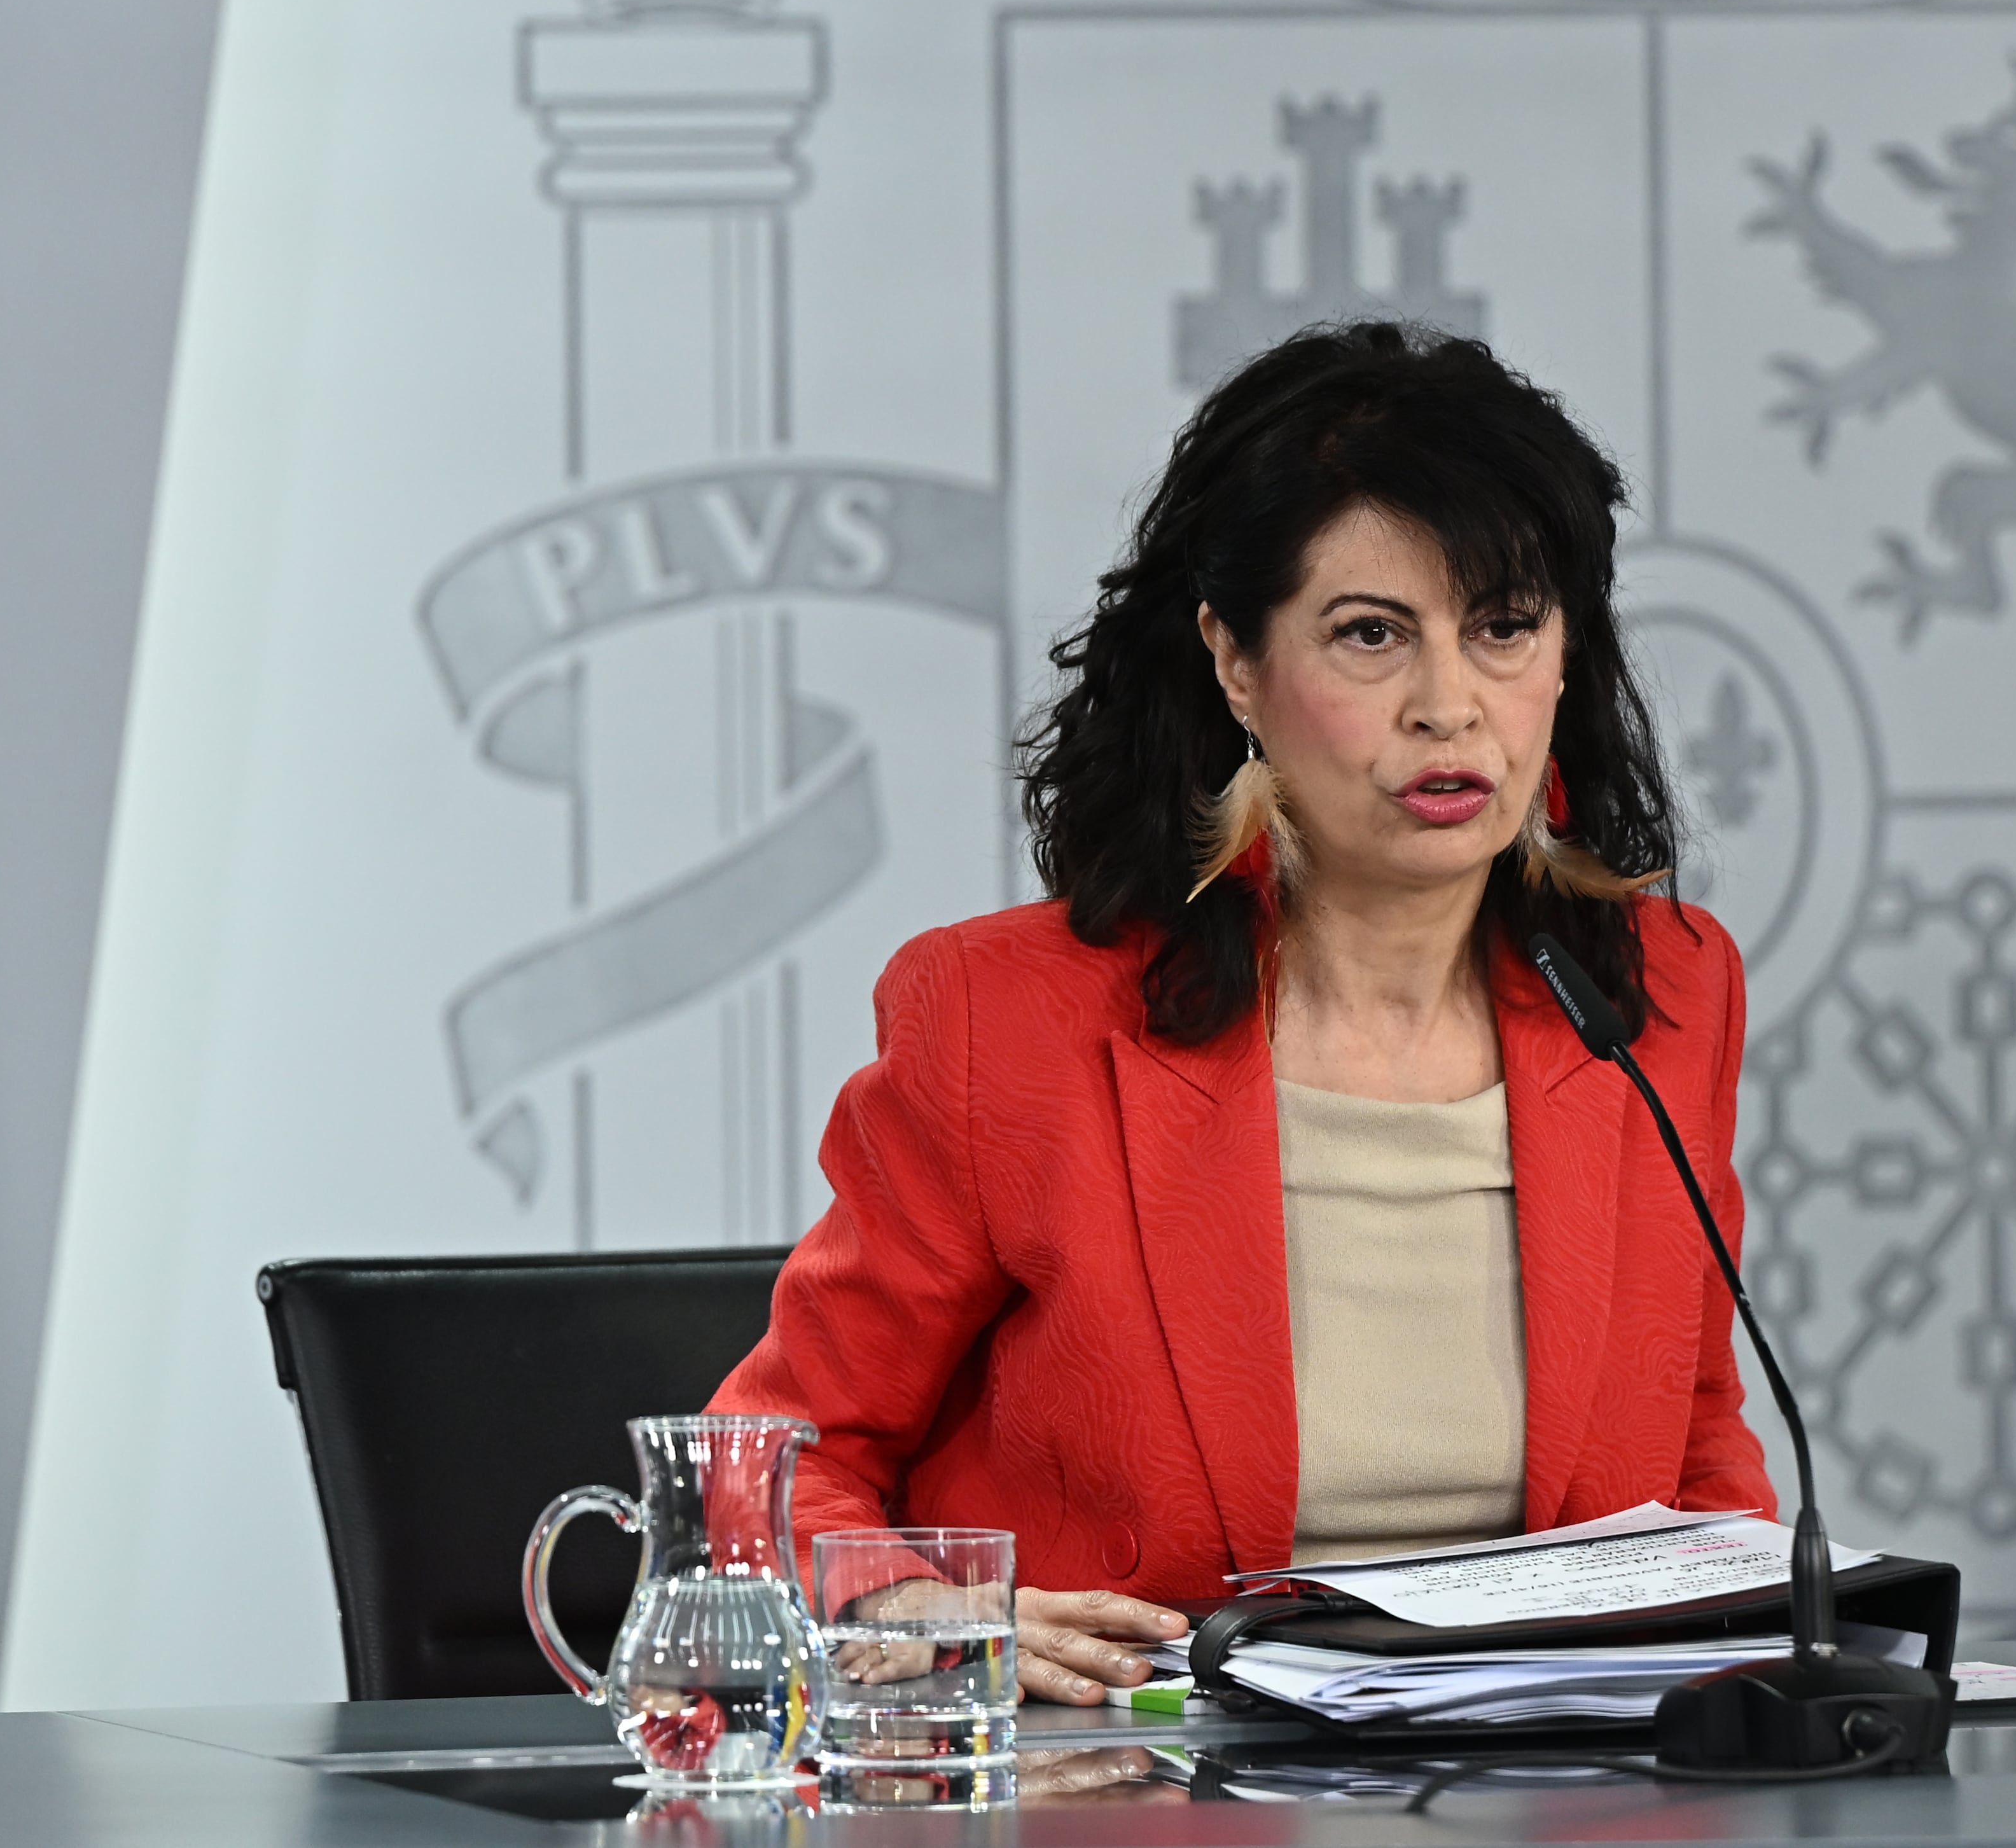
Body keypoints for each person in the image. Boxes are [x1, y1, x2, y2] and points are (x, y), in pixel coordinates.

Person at [710, 322, 1774, 1706]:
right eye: (1370, 635)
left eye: (1504, 626)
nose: (1451, 706)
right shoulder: (1006, 1020)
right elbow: (772, 1461)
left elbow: (1695, 1449)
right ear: (1233, 660)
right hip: (1121, 1780)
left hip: (1553, 1784)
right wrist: (917, 1607)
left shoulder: (1661, 994)